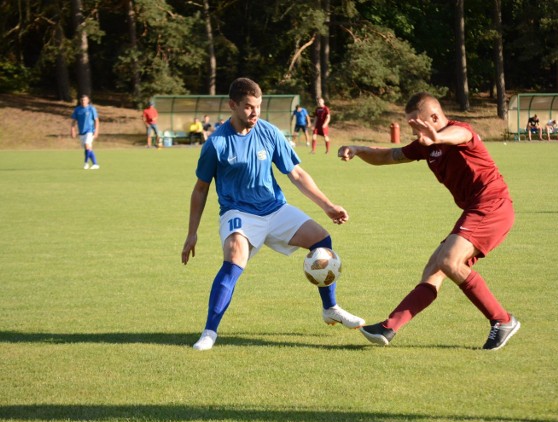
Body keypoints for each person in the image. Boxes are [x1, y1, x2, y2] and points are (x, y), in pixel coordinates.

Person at [182, 77, 364, 351]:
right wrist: (192, 233)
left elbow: (296, 173)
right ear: (232, 105)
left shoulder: (269, 132)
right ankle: (209, 332)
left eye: (258, 106)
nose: (255, 113)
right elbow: (200, 189)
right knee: (233, 258)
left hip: (274, 208)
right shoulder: (216, 144)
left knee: (322, 240)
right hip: (238, 212)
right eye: (248, 107)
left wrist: (327, 205)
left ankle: (330, 308)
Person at [338, 92, 520, 351]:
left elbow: (460, 136)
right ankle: (389, 328)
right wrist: (357, 150)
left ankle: (502, 320)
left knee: (449, 261)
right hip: (475, 209)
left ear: (434, 117)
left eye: (417, 124)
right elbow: (388, 156)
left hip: (492, 206)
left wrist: (437, 136)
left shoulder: (459, 131)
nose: (413, 130)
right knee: (434, 268)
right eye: (409, 124)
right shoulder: (425, 145)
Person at [70, 94, 100, 170]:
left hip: (89, 131)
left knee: (87, 145)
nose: (83, 101)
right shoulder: (77, 109)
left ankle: (86, 163)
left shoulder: (91, 109)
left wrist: (96, 131)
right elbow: (74, 121)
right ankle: (95, 164)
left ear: (88, 100)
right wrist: (73, 130)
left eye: (85, 100)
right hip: (81, 132)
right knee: (88, 148)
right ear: (80, 101)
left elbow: (96, 120)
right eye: (82, 100)